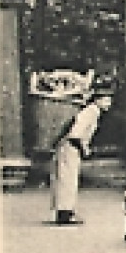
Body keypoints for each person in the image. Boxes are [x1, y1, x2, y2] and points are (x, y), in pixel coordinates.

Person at [49, 80, 114, 225]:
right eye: (106, 100)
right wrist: (84, 148)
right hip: (70, 146)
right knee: (68, 179)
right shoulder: (90, 112)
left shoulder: (93, 112)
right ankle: (64, 213)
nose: (109, 103)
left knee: (68, 178)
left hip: (72, 146)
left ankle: (66, 211)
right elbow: (75, 134)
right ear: (97, 100)